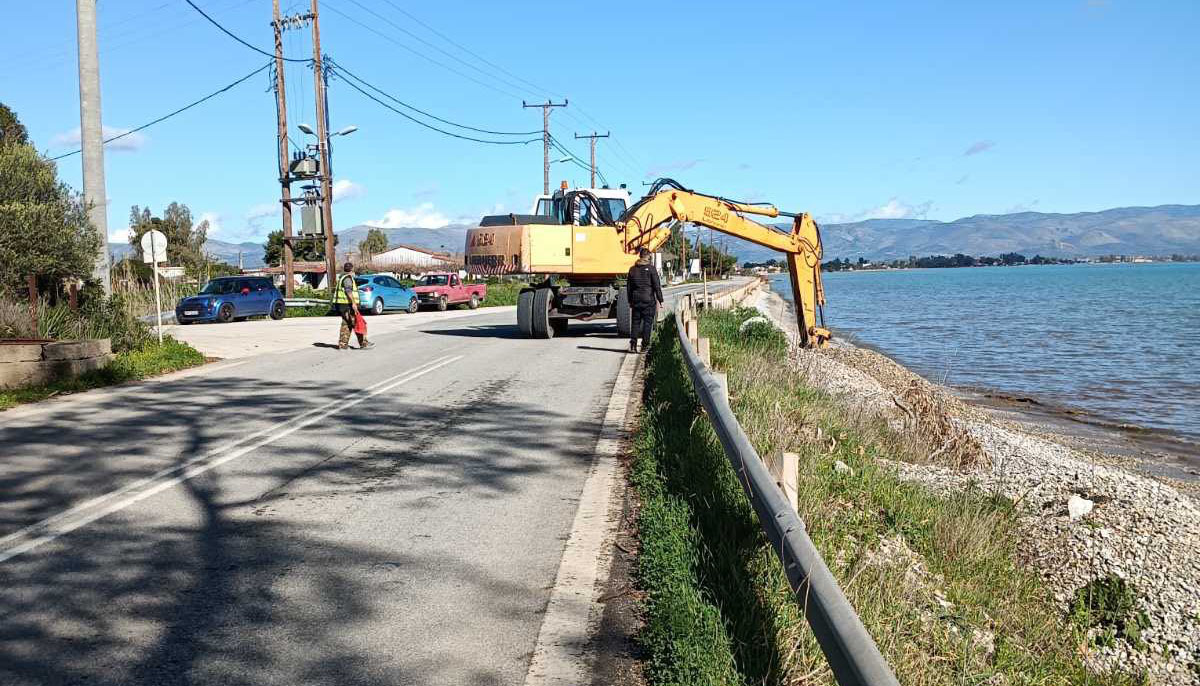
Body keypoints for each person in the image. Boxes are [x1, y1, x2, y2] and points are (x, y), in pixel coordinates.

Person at [626, 247, 664, 353]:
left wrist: (630, 300)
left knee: (635, 323)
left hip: (636, 300)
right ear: (648, 257)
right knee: (647, 323)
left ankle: (633, 345)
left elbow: (629, 287)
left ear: (640, 256)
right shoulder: (651, 269)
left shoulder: (632, 269)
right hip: (648, 300)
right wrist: (660, 300)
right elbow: (657, 285)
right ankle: (644, 346)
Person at [334, 261, 373, 350]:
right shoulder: (348, 279)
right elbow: (348, 291)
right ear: (352, 270)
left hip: (342, 306)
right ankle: (364, 343)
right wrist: (354, 303)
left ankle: (343, 344)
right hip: (348, 306)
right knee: (357, 322)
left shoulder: (342, 277)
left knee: (347, 324)